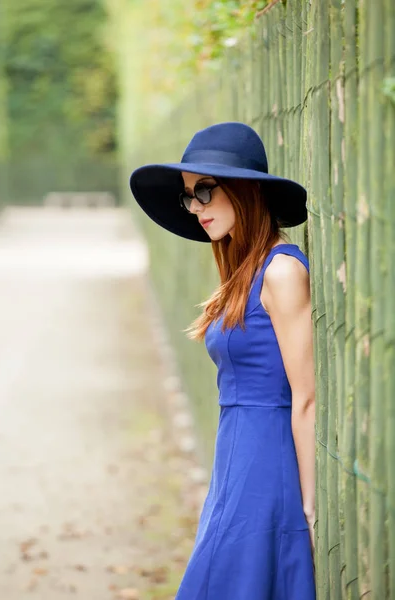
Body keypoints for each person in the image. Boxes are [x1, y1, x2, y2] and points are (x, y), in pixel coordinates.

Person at [130, 122, 316, 600]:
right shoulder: (245, 268)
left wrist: (308, 510)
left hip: (265, 463)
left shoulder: (282, 271)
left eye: (206, 191)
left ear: (244, 190)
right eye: (189, 196)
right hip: (234, 454)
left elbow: (306, 396)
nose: (196, 208)